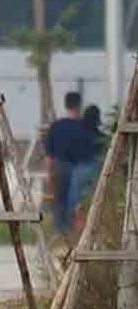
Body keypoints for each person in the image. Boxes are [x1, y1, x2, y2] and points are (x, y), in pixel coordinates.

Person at [44, 91, 99, 233]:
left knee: (59, 204)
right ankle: (75, 236)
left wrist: (49, 175)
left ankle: (60, 235)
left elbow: (49, 156)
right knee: (77, 206)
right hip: (83, 170)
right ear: (79, 105)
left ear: (66, 104)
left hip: (60, 168)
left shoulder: (56, 126)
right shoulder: (86, 127)